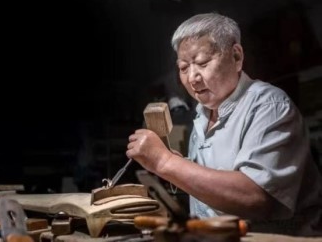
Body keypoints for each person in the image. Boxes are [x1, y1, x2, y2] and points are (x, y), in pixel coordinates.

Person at [126, 12, 322, 236]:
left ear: (236, 57)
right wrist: (180, 169)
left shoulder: (268, 106)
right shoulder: (203, 114)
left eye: (202, 63)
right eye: (183, 67)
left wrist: (165, 161)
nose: (192, 78)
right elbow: (213, 184)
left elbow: (256, 198)